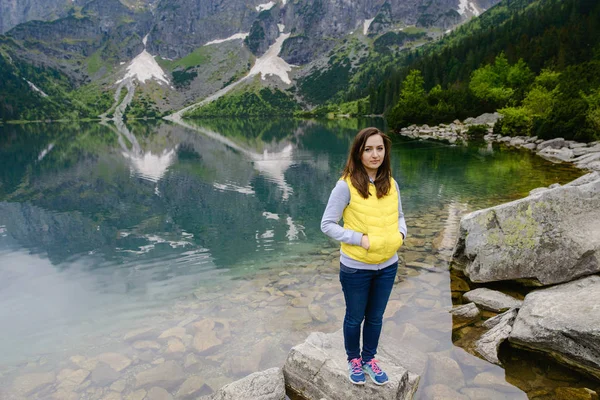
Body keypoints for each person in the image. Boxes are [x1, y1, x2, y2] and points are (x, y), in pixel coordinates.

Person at [321, 127, 407, 386]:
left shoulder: (391, 183)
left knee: (376, 317)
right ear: (358, 152)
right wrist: (361, 239)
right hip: (356, 267)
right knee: (354, 317)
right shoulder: (345, 185)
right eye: (368, 149)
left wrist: (400, 235)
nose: (375, 154)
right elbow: (327, 224)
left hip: (388, 265)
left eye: (379, 148)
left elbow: (400, 216)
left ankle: (369, 359)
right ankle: (353, 360)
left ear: (385, 151)